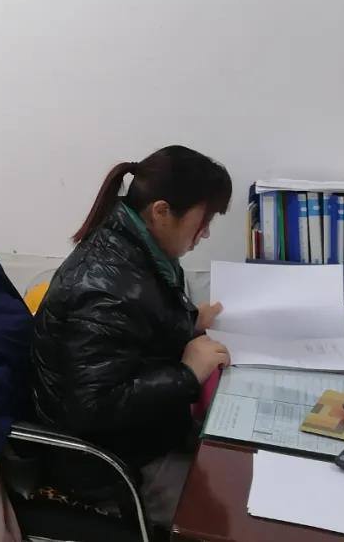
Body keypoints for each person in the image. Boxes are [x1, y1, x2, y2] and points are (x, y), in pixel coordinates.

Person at [30, 145, 233, 530]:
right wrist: (187, 374)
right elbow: (93, 406)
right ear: (161, 212)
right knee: (224, 520)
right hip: (111, 466)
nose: (206, 232)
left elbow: (139, 329)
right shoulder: (104, 288)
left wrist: (190, 323)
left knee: (233, 467)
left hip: (147, 436)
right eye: (203, 220)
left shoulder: (135, 252)